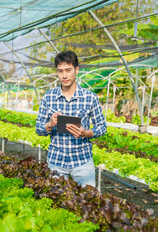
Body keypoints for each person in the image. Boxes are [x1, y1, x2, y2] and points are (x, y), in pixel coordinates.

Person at [35, 50, 107, 187]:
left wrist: (86, 133)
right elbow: (38, 129)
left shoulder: (90, 98)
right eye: (60, 71)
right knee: (56, 203)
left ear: (77, 70)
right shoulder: (48, 97)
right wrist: (50, 124)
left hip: (82, 162)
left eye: (68, 70)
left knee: (86, 204)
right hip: (56, 162)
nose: (64, 75)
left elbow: (102, 127)